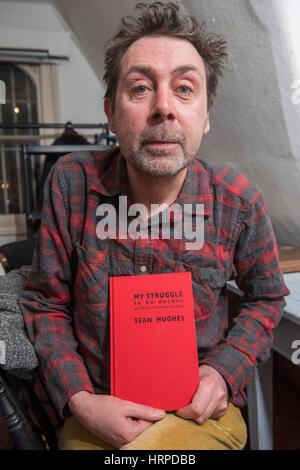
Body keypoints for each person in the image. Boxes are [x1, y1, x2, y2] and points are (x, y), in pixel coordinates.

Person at [19, 2, 289, 450]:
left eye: (184, 89)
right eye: (141, 88)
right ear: (110, 112)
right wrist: (81, 399)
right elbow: (46, 303)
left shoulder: (239, 200)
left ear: (205, 115)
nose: (163, 107)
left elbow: (267, 295)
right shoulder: (69, 185)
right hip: (95, 413)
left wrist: (225, 370)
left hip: (198, 418)